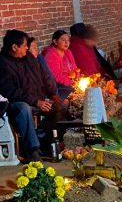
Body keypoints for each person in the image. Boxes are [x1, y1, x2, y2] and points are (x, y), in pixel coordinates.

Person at [0, 30, 63, 162]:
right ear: (14, 47)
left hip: (38, 98)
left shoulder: (27, 57)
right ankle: (32, 150)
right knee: (23, 109)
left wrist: (52, 94)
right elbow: (10, 92)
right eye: (24, 45)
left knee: (61, 106)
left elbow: (44, 75)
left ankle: (48, 143)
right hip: (16, 102)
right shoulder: (3, 64)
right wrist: (35, 101)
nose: (27, 48)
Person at [43, 30, 77, 100]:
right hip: (57, 87)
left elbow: (74, 68)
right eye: (63, 40)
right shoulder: (50, 55)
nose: (67, 42)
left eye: (68, 40)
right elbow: (56, 77)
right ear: (55, 42)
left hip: (70, 83)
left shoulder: (68, 52)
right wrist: (72, 82)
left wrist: (77, 77)